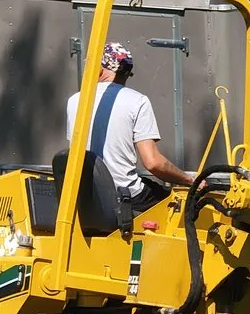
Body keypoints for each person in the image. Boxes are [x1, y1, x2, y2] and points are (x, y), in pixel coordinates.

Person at [66, 42, 200, 214]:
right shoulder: (137, 101)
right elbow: (153, 163)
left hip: (86, 195)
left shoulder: (74, 101)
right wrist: (189, 180)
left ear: (99, 69)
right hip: (126, 196)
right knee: (183, 209)